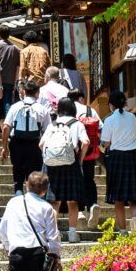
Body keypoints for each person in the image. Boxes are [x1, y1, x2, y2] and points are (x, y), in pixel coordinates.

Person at [0, 172, 62, 271]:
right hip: (39, 255)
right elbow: (53, 236)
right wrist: (57, 258)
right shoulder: (46, 207)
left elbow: (3, 227)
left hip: (17, 254)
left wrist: (8, 248)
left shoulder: (13, 203)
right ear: (45, 190)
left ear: (27, 185)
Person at [42, 97, 89, 244]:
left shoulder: (53, 124)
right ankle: (72, 234)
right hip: (71, 164)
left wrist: (49, 157)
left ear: (59, 109)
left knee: (54, 201)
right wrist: (80, 159)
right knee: (72, 201)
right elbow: (86, 142)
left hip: (52, 165)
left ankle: (53, 234)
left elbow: (41, 144)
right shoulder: (77, 124)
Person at [100, 89, 136, 233]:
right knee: (135, 197)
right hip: (133, 157)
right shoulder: (133, 117)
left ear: (110, 104)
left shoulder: (109, 120)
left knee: (118, 198)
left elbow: (105, 143)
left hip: (116, 158)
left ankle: (123, 231)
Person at [1, 80, 52, 195]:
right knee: (34, 176)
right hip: (34, 145)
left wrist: (5, 147)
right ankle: (32, 197)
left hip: (16, 144)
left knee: (18, 172)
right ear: (37, 93)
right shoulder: (42, 109)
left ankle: (18, 194)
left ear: (24, 92)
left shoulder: (15, 107)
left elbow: (5, 128)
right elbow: (48, 131)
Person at [67, 89, 102, 228]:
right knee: (89, 179)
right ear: (81, 98)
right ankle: (92, 204)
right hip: (89, 152)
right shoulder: (90, 110)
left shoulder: (69, 110)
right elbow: (100, 127)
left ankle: (80, 211)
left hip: (73, 153)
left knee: (76, 181)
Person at [0, 25, 21, 124]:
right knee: (7, 103)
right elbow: (18, 67)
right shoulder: (16, 49)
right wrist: (16, 81)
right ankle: (8, 126)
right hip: (9, 80)